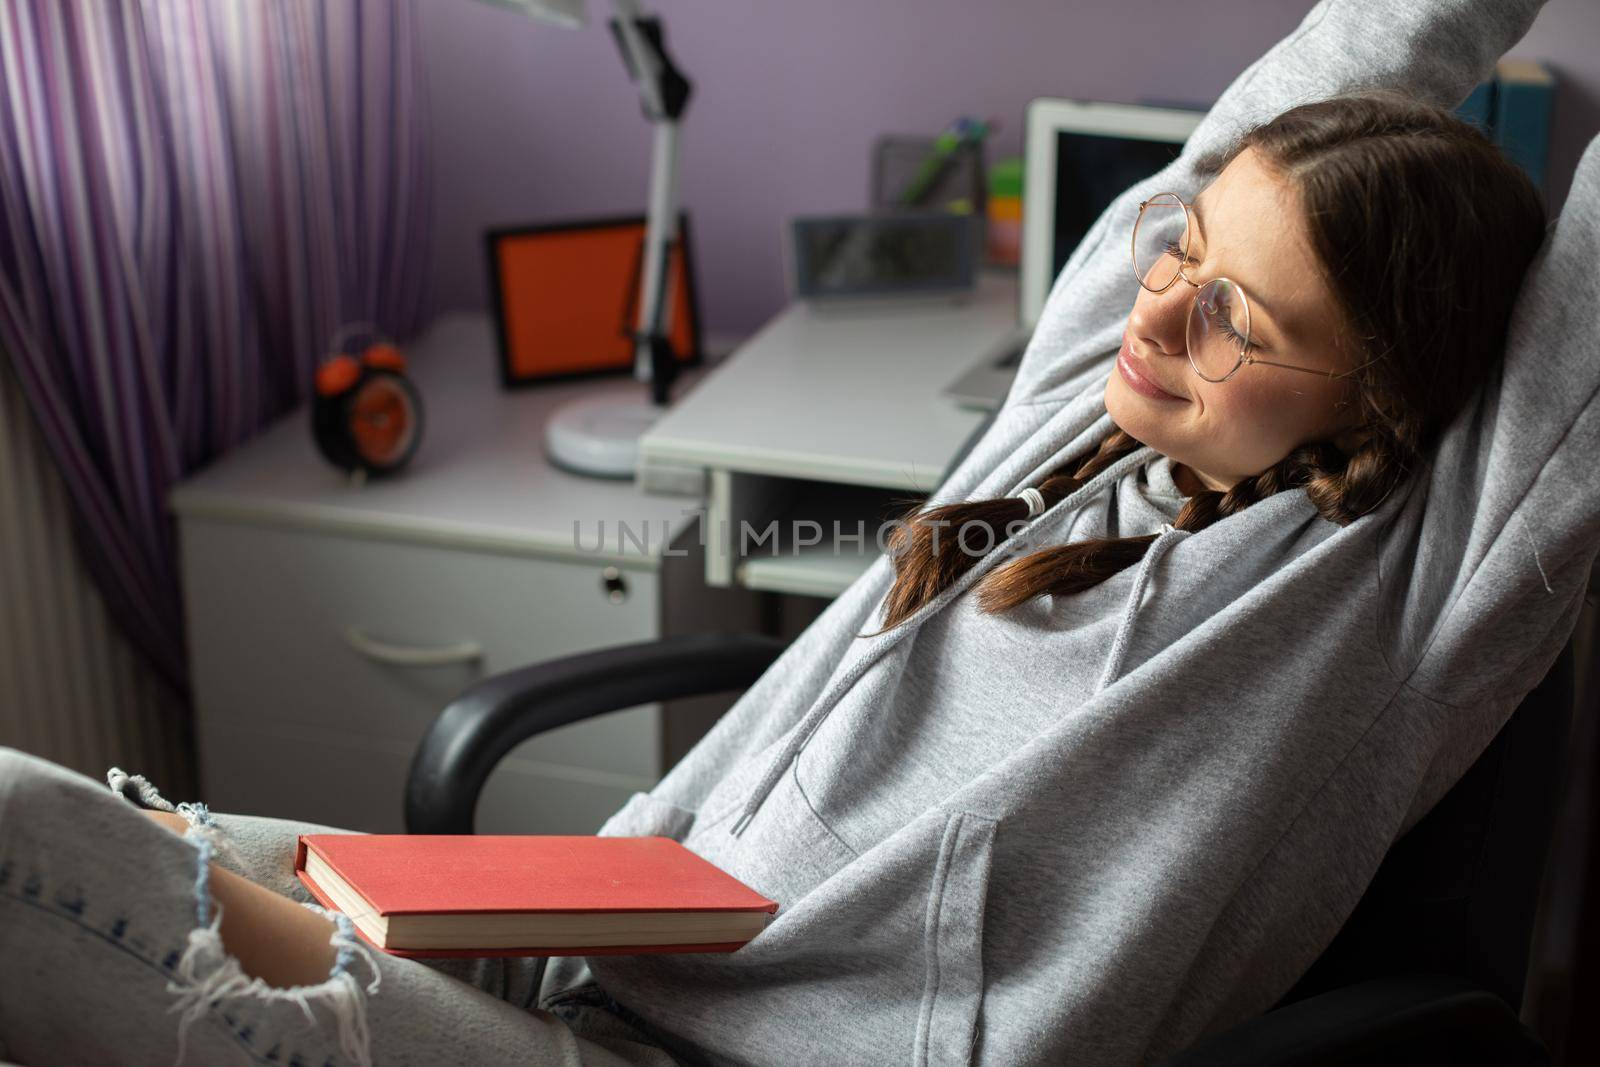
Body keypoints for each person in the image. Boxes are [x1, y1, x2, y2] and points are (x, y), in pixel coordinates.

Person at [1, 0, 1582, 1063]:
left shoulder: (1404, 598)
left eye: (1234, 313)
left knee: (20, 850)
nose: (1159, 306)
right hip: (600, 945)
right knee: (61, 825)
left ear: (1381, 392)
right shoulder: (1090, 413)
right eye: (1182, 245)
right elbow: (1359, 46)